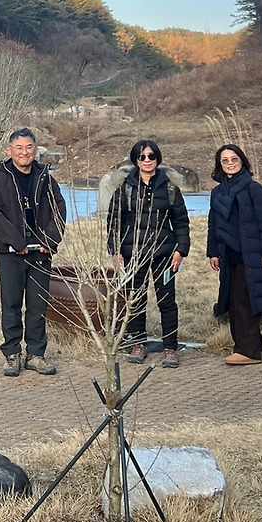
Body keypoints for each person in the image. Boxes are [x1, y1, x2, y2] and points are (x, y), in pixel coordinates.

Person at [0, 127, 66, 378]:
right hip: (10, 250)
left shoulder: (46, 178)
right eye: (19, 148)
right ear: (9, 150)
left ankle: (36, 355)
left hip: (41, 250)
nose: (24, 152)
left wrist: (49, 240)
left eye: (29, 147)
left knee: (37, 305)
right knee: (11, 303)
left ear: (35, 149)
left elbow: (59, 210)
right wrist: (16, 241)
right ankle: (12, 354)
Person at [106, 139, 190, 368]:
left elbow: (181, 222)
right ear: (135, 160)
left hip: (164, 254)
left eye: (151, 156)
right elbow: (114, 223)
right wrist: (115, 250)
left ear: (157, 158)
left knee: (167, 302)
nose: (147, 160)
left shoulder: (170, 189)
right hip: (134, 254)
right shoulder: (125, 188)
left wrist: (181, 250)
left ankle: (170, 348)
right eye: (142, 156)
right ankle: (138, 344)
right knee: (135, 300)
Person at [206, 143, 262, 365]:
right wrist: (213, 252)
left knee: (244, 301)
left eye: (234, 159)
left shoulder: (253, 188)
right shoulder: (218, 192)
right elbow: (213, 224)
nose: (230, 163)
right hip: (228, 255)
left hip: (252, 255)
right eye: (225, 160)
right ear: (219, 165)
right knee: (233, 301)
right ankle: (252, 344)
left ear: (242, 161)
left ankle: (248, 351)